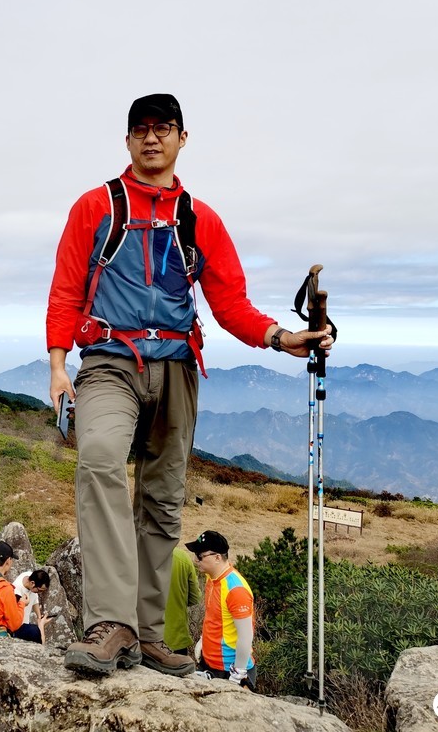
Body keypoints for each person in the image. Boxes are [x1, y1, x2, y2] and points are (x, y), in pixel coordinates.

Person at [47, 93, 333, 677]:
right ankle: (110, 622)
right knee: (99, 459)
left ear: (182, 138)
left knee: (163, 500)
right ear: (127, 141)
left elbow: (230, 302)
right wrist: (57, 365)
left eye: (164, 128)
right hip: (108, 360)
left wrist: (282, 337)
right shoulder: (94, 207)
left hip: (177, 365)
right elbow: (66, 289)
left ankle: (147, 634)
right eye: (142, 130)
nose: (152, 138)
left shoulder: (199, 219)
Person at [186, 530, 257, 689]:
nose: (196, 560)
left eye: (200, 555)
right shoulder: (212, 577)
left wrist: (238, 673)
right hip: (209, 663)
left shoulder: (235, 589)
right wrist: (204, 639)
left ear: (217, 557)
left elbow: (246, 636)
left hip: (228, 670)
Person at [0, 541, 46, 643]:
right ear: (8, 561)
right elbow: (14, 624)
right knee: (33, 631)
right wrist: (22, 603)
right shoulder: (5, 588)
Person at [164, 547, 201, 659]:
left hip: (140, 639)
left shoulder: (135, 553)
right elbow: (195, 597)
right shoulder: (181, 557)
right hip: (175, 638)